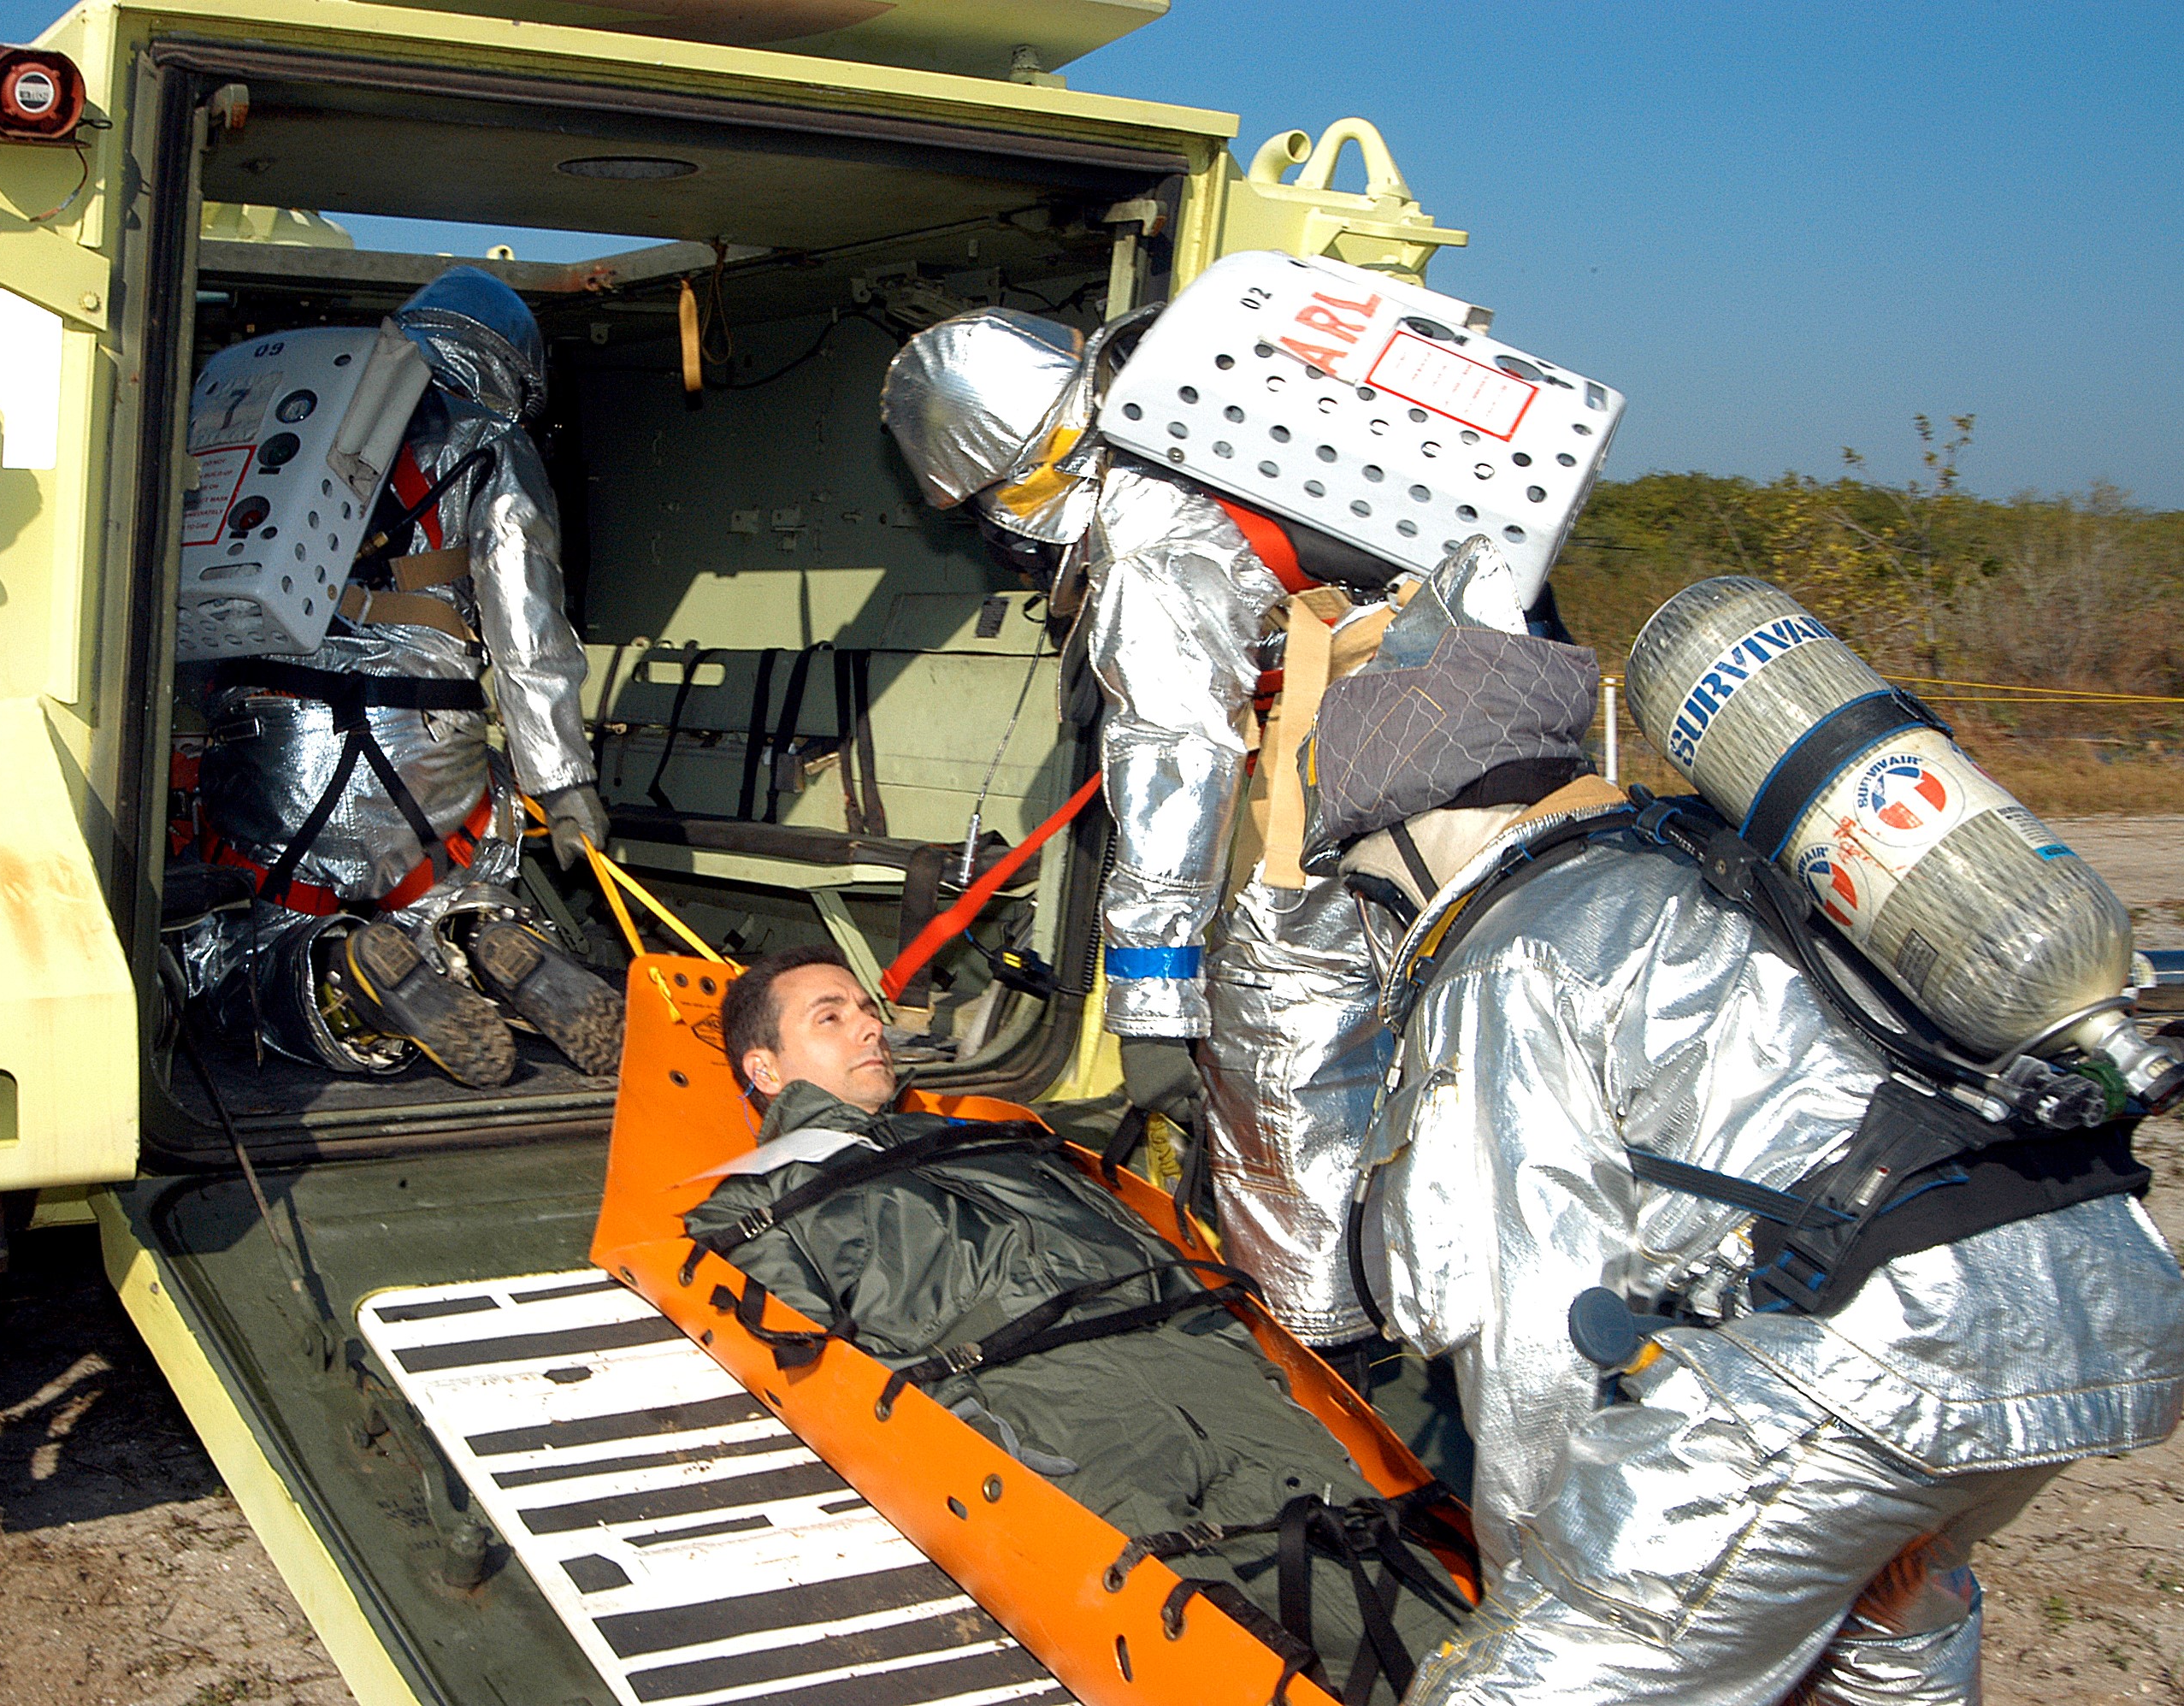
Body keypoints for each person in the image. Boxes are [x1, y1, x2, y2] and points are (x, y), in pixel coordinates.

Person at [1319, 544, 2184, 1703]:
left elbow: (1527, 1333)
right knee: (1879, 1613)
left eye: (1372, 884)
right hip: (2094, 1292)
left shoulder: (1507, 955)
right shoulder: (1691, 863)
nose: (1380, 922)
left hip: (1868, 1350)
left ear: (1424, 829)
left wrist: (1546, 1592)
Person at [881, 308, 1566, 1419]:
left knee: (1287, 1068)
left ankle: (1324, 1379)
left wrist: (1152, 1020)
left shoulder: (1148, 543)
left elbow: (1174, 768)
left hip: (1375, 799)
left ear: (1016, 487)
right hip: (1492, 747)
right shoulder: (1211, 437)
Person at [679, 945, 1468, 1706]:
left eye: (867, 1008)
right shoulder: (754, 1212)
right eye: (831, 1016)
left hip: (1215, 1383)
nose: (869, 1026)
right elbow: (824, 1381)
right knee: (1233, 1641)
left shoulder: (994, 1138)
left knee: (1419, 1611)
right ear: (765, 1068)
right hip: (1073, 1428)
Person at [186, 267, 617, 1086]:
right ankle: (479, 936)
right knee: (441, 877)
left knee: (260, 925)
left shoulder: (274, 411)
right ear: (511, 368)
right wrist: (564, 784)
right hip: (429, 739)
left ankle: (346, 977)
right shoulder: (493, 442)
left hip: (273, 728)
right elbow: (528, 632)